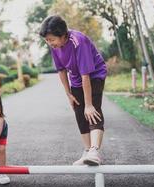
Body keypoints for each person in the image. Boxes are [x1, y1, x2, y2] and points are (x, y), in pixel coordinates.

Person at [39, 15, 107, 166]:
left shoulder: (78, 41)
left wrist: (89, 105)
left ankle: (94, 151)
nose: (49, 43)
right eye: (47, 40)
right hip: (76, 78)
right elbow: (61, 70)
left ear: (63, 35)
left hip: (94, 75)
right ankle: (87, 151)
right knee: (79, 112)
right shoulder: (55, 47)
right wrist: (68, 94)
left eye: (51, 39)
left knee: (92, 111)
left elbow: (86, 75)